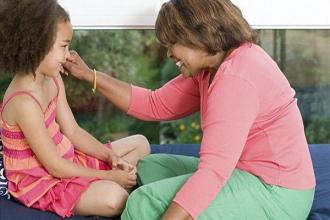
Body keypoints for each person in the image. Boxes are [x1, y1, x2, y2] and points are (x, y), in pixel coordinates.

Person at [64, 0, 316, 219]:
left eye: (171, 43)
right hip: (241, 172)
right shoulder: (210, 68)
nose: (169, 53)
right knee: (147, 167)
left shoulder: (236, 78)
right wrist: (88, 75)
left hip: (277, 193)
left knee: (142, 203)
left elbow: (212, 173)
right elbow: (154, 104)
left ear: (197, 36)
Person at [0, 0, 150, 218]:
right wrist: (108, 177)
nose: (68, 55)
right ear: (37, 44)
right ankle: (109, 190)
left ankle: (107, 187)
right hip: (44, 179)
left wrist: (109, 157)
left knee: (141, 144)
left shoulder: (52, 77)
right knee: (115, 198)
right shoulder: (24, 102)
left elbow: (73, 131)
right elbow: (55, 167)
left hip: (68, 160)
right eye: (63, 46)